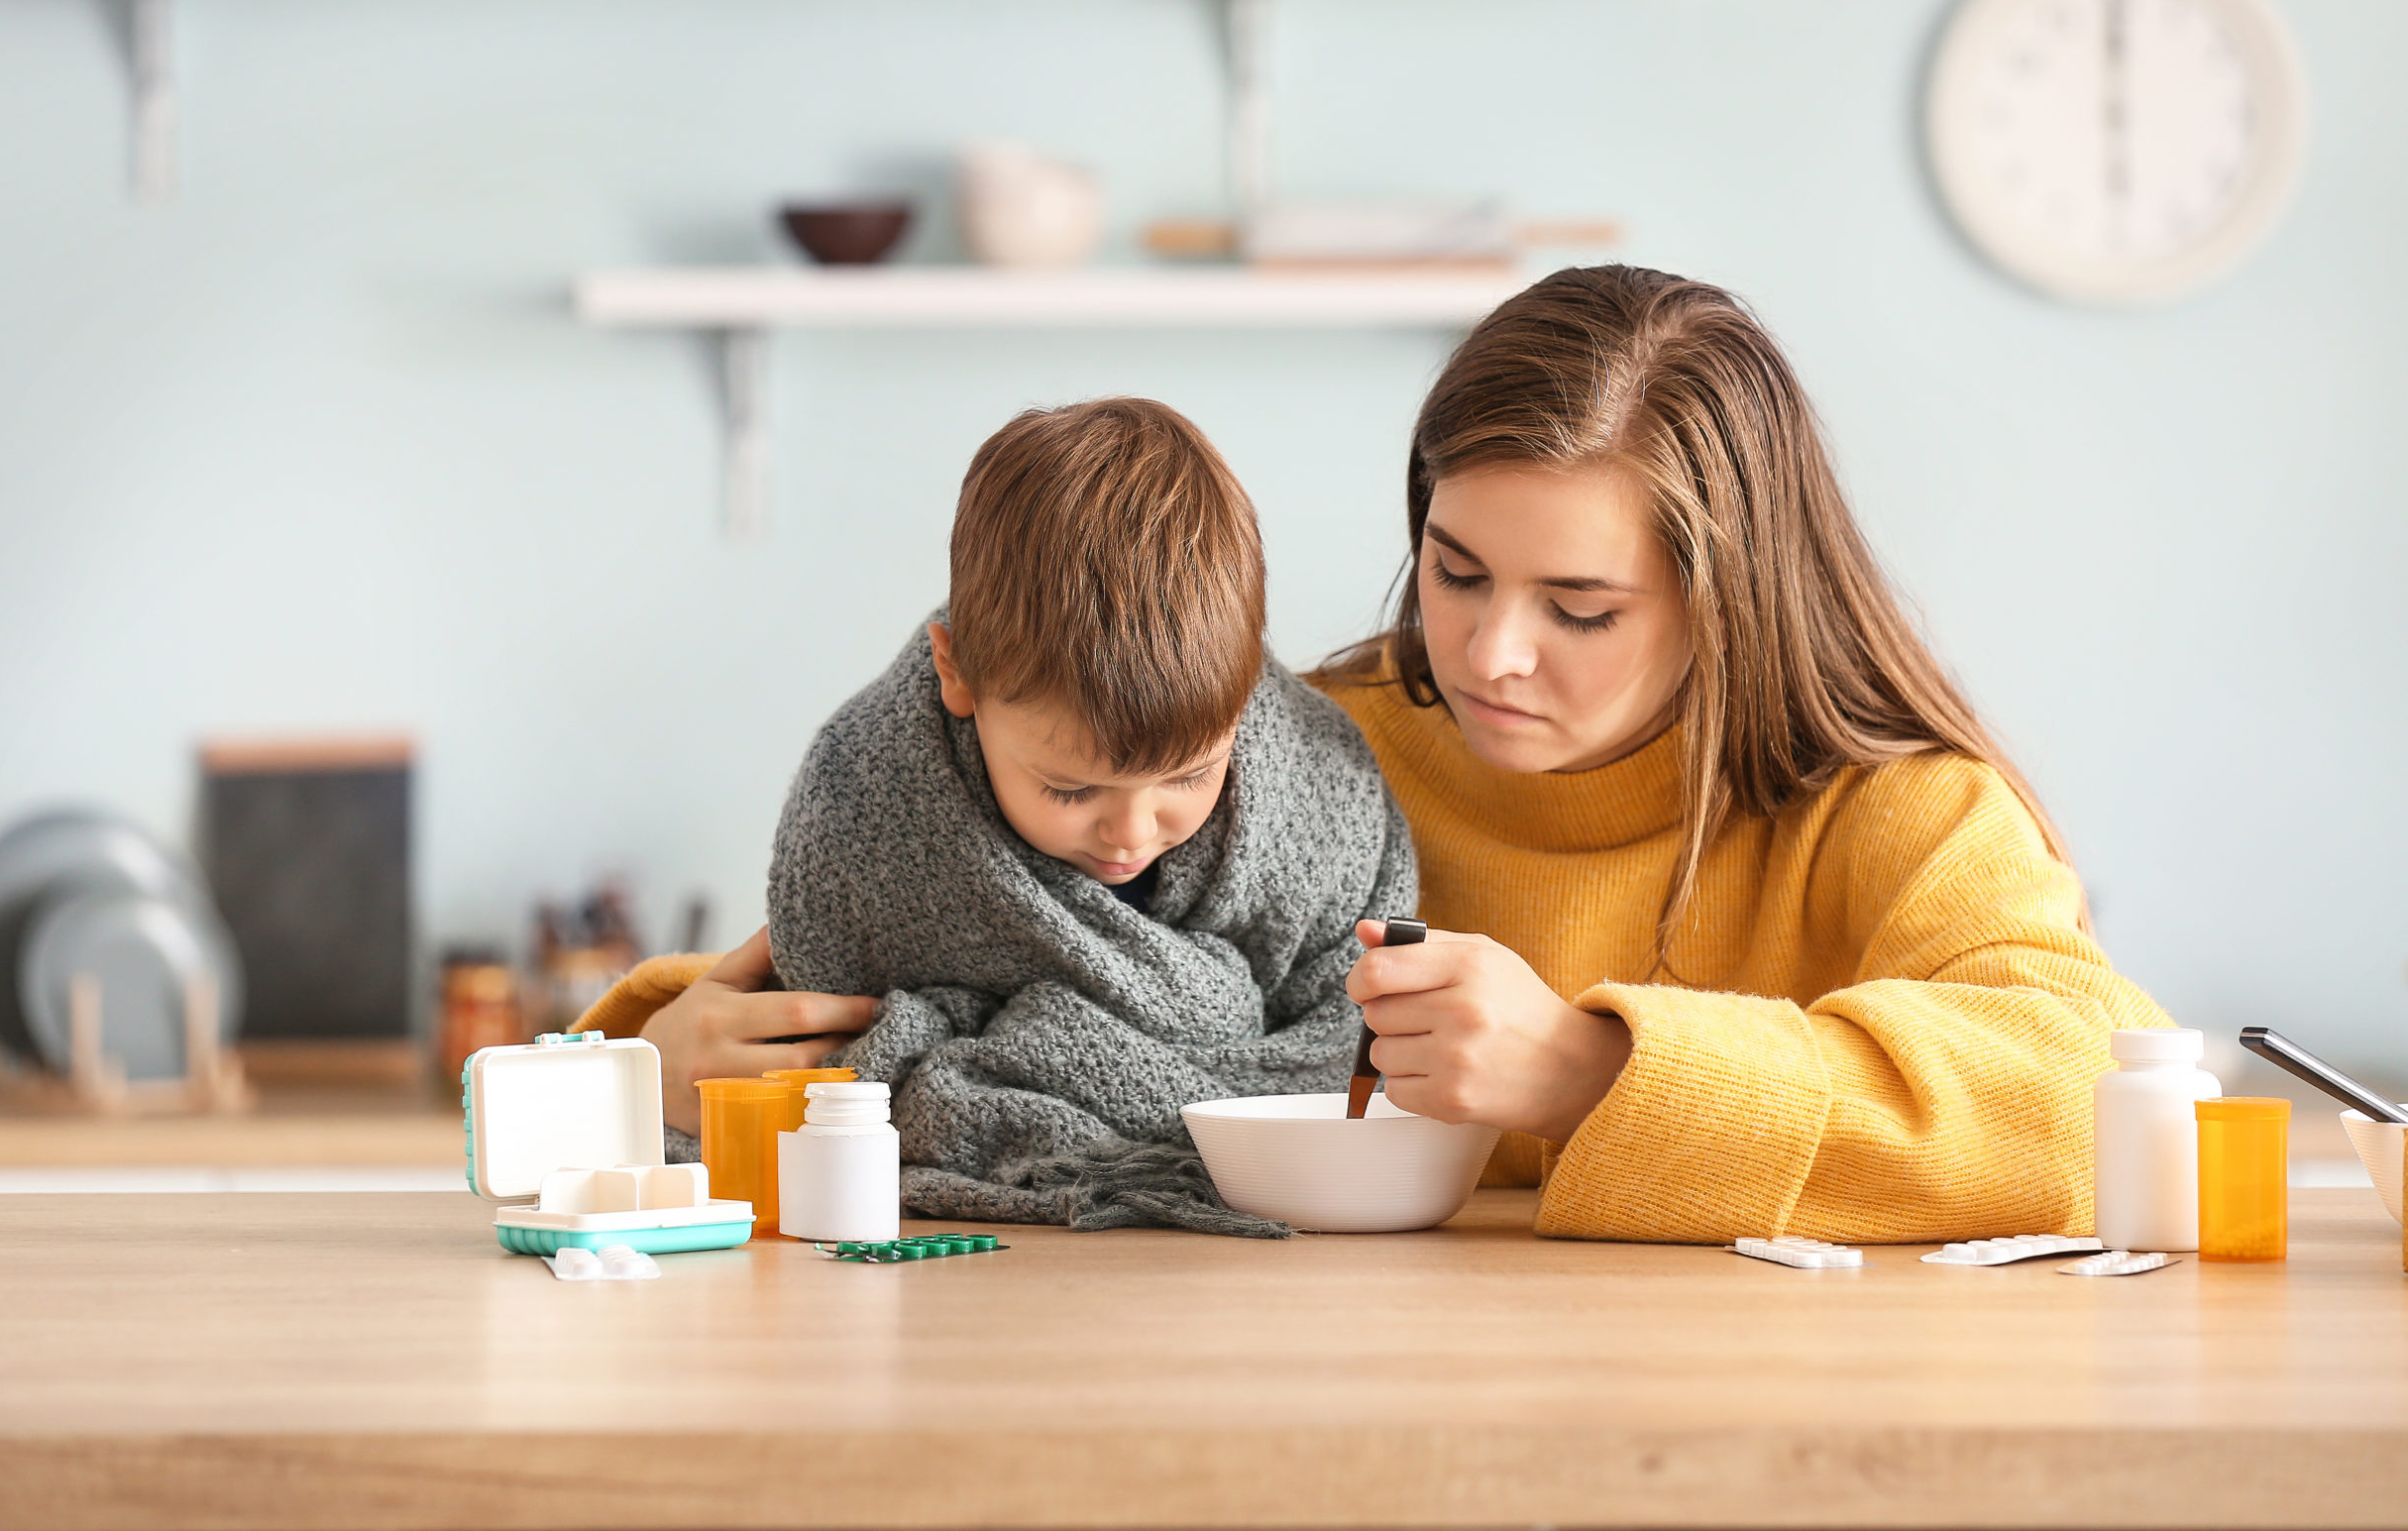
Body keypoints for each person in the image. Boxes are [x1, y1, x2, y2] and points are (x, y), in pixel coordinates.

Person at [1315, 265, 2169, 1243]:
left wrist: (1587, 1071)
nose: (1490, 655)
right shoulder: (1299, 755)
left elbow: (2093, 1100)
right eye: (1455, 571)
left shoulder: (1892, 806)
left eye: (1579, 611)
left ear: (1723, 601)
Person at [577, 397, 1414, 1233]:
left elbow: (1355, 1050)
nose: (1131, 832)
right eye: (1070, 789)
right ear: (957, 675)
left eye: (1189, 776)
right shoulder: (866, 811)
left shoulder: (1325, 791)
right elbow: (811, 1075)